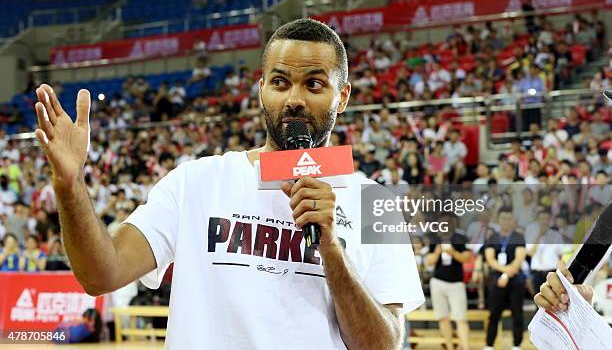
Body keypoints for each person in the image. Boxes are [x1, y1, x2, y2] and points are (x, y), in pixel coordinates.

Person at [32, 18, 424, 349]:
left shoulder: (375, 201)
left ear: (343, 97)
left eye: (315, 84)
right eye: (281, 82)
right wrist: (70, 186)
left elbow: (383, 344)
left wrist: (332, 249)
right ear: (261, 90)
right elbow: (102, 274)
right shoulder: (196, 181)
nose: (295, 99)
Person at [425, 213, 472, 350]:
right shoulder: (435, 238)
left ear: (452, 222)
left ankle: (466, 347)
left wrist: (452, 253)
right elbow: (429, 261)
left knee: (461, 318)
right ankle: (450, 347)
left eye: (447, 222)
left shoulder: (460, 238)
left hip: (456, 283)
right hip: (438, 281)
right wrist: (438, 252)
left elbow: (467, 258)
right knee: (443, 318)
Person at [483, 209, 527, 350]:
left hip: (516, 281)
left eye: (508, 218)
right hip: (497, 281)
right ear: (499, 220)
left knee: (517, 314)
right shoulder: (493, 238)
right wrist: (503, 273)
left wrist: (507, 275)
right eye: (503, 218)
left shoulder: (518, 237)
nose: (506, 221)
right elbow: (490, 259)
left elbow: (519, 258)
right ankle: (489, 345)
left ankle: (517, 345)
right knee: (494, 313)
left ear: (512, 220)